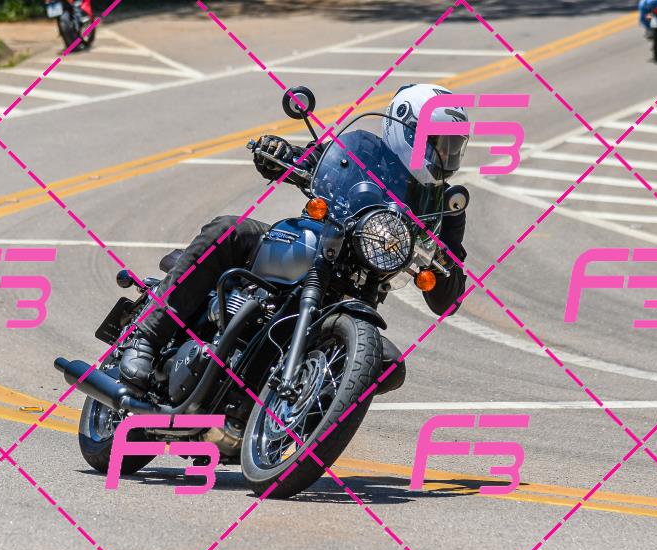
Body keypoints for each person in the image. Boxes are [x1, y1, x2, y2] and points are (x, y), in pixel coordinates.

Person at [118, 83, 471, 393]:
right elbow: (314, 159)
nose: (446, 155)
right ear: (407, 129)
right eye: (440, 143)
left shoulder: (445, 206)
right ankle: (146, 337)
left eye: (453, 146)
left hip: (355, 289)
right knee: (228, 230)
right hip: (309, 246)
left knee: (387, 365)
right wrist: (281, 155)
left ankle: (305, 418)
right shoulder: (362, 152)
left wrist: (444, 265)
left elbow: (447, 298)